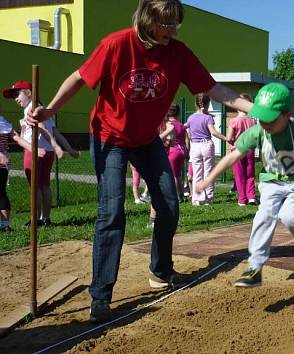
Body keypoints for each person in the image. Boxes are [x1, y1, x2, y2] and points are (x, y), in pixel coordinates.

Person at [27, 0, 253, 323]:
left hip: (147, 138)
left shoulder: (178, 53)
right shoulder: (116, 44)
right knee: (112, 211)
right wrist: (49, 110)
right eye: (166, 23)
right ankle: (100, 297)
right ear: (148, 19)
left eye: (176, 23)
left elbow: (214, 89)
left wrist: (252, 108)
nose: (172, 30)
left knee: (170, 204)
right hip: (109, 136)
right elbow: (79, 77)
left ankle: (160, 271)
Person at [196, 82, 294, 287]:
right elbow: (233, 156)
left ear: (287, 114)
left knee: (290, 217)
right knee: (263, 217)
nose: (265, 124)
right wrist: (209, 179)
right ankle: (255, 268)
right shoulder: (258, 131)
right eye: (261, 118)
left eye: (270, 119)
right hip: (271, 182)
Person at [3, 81, 80, 227]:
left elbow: (43, 128)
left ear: (28, 92)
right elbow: (55, 131)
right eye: (13, 96)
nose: (15, 99)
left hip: (35, 151)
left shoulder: (30, 109)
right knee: (45, 185)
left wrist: (57, 146)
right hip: (48, 153)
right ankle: (46, 218)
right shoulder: (43, 110)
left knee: (35, 186)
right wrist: (69, 149)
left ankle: (36, 219)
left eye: (17, 94)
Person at [225, 93, 256, 206]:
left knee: (239, 175)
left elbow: (229, 138)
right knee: (250, 174)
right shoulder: (253, 121)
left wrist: (231, 139)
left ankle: (242, 199)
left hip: (237, 150)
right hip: (250, 149)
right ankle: (252, 196)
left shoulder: (233, 121)